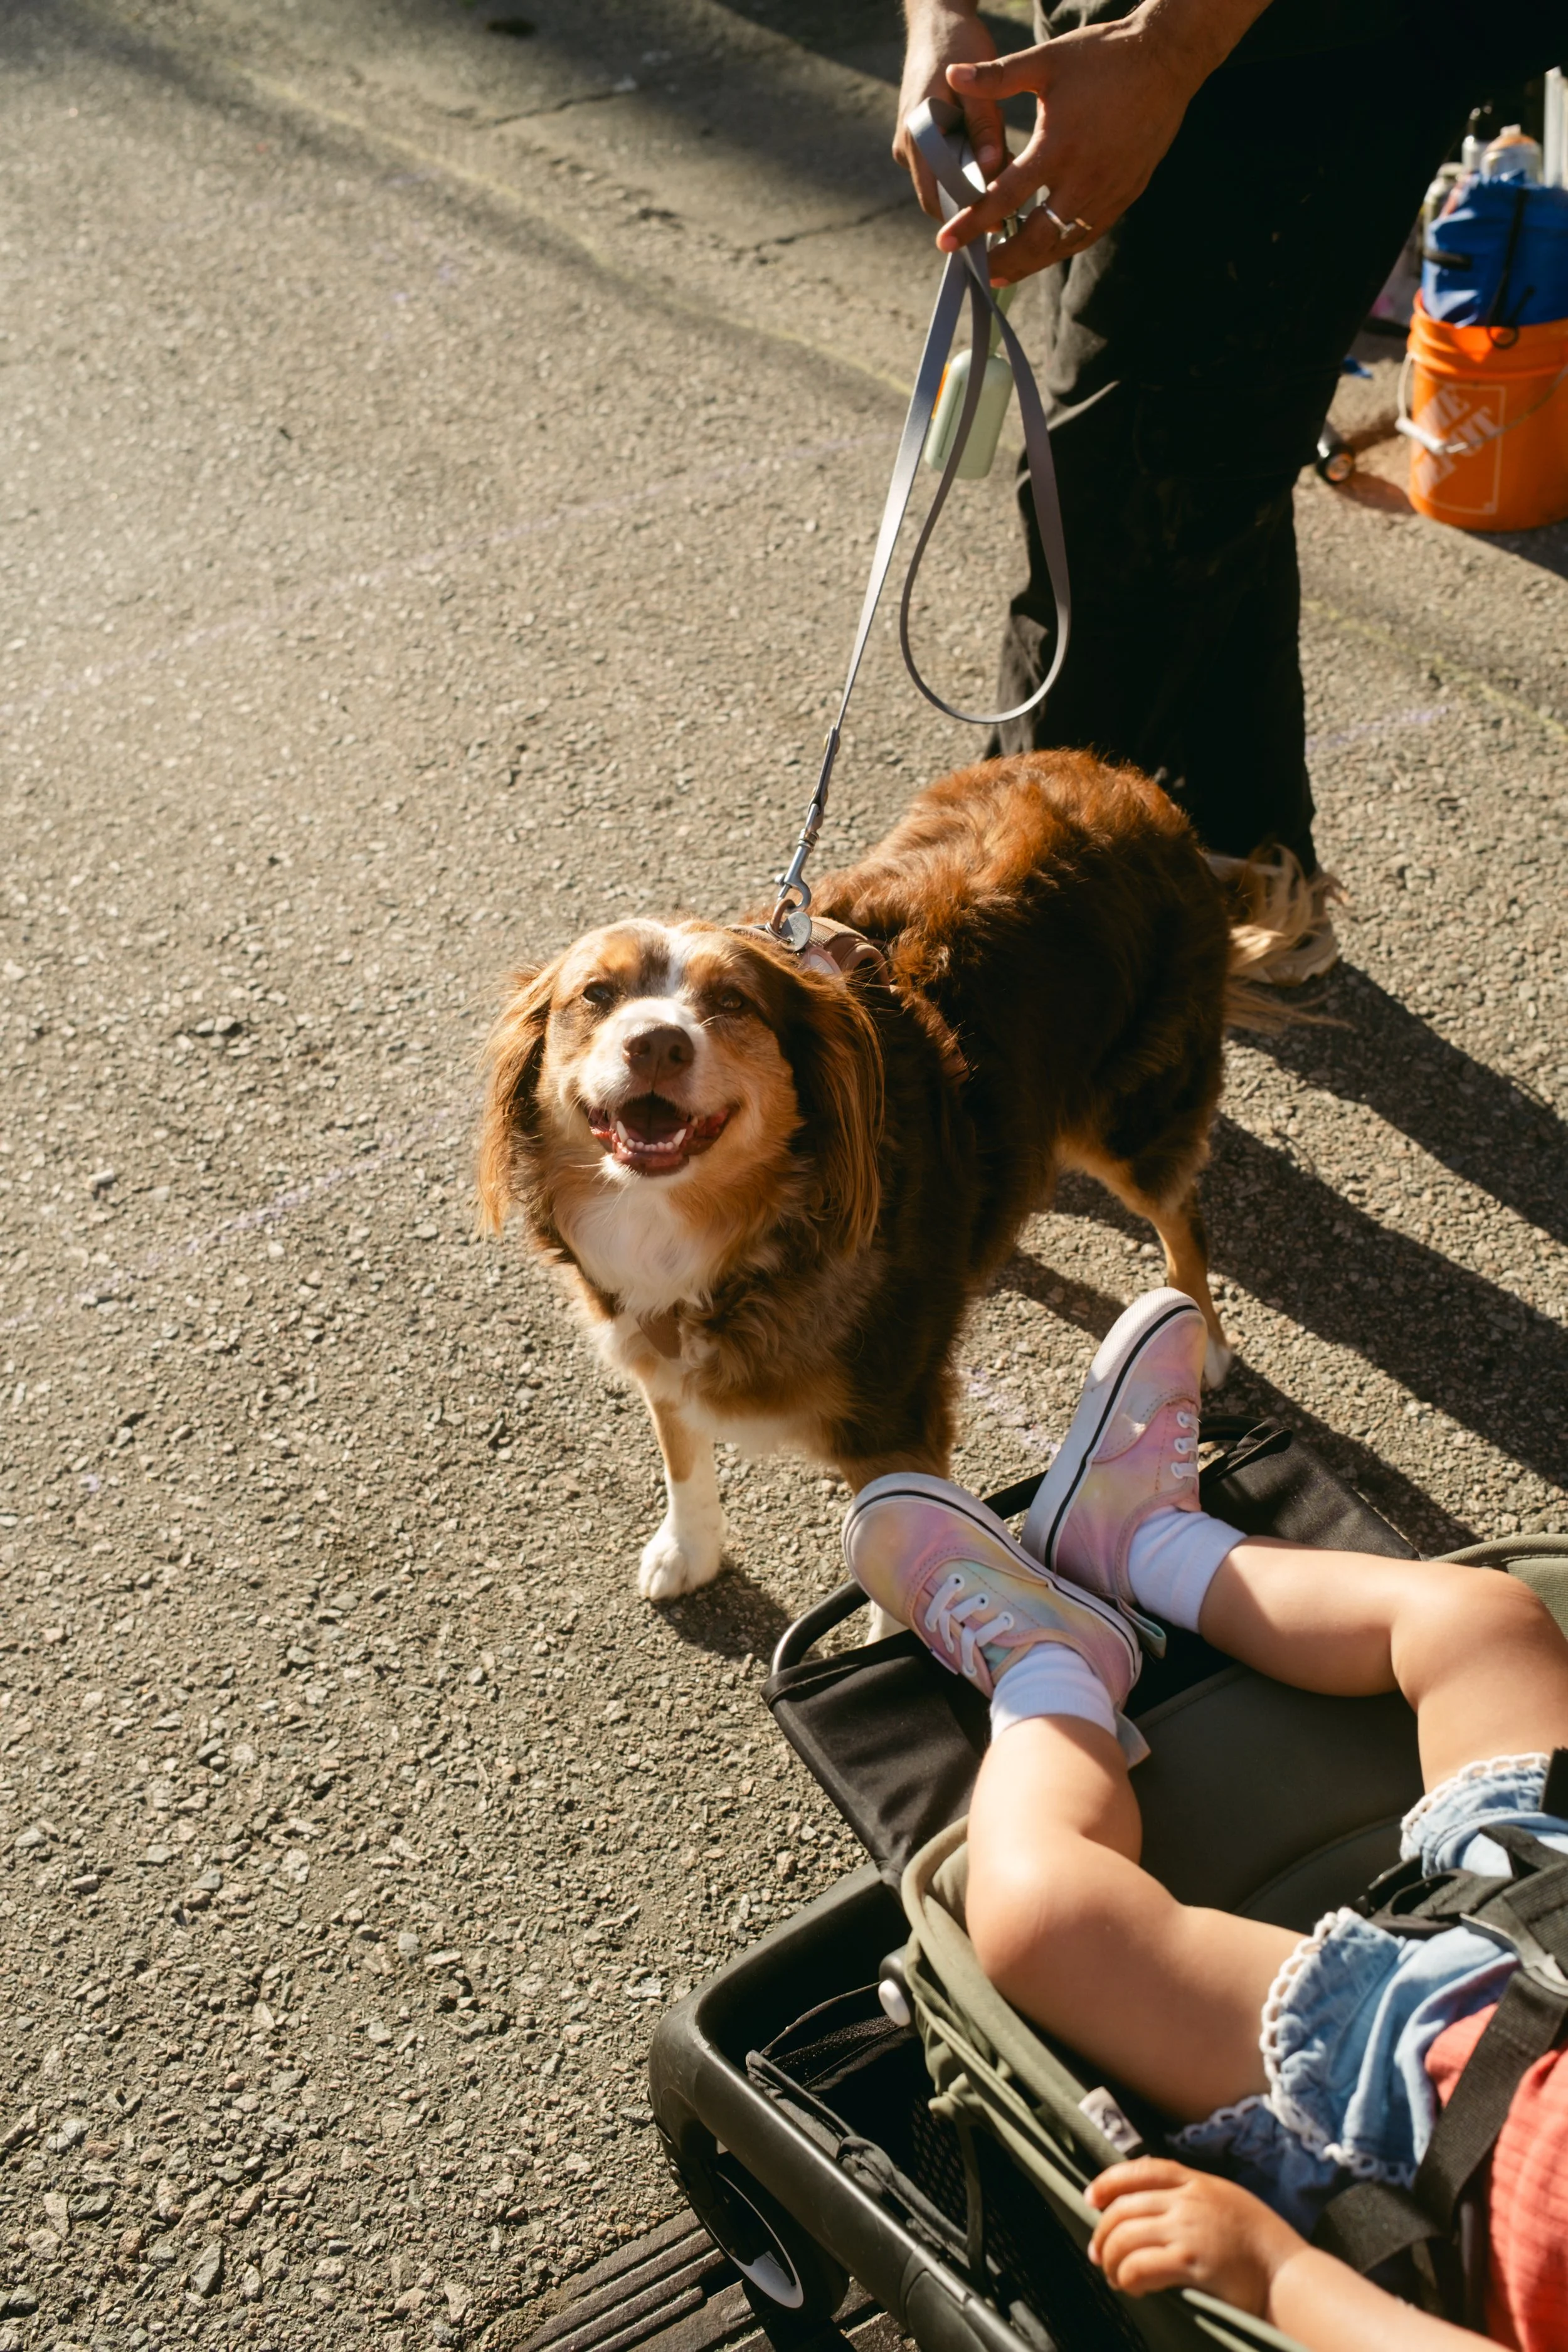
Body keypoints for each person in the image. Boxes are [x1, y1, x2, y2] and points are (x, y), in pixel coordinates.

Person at [845, 1288, 1568, 2349]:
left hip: (1416, 2106)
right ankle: (1146, 1543)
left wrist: (1274, 2278)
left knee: (1044, 1916)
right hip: (1544, 1914)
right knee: (1485, 1616)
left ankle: (1053, 1671)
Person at [894, 0, 1566, 979]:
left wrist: (1164, 50)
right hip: (1115, 43)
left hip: (1296, 44)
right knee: (1206, 447)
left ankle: (1009, 981)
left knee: (1119, 495)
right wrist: (939, 17)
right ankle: (1245, 871)